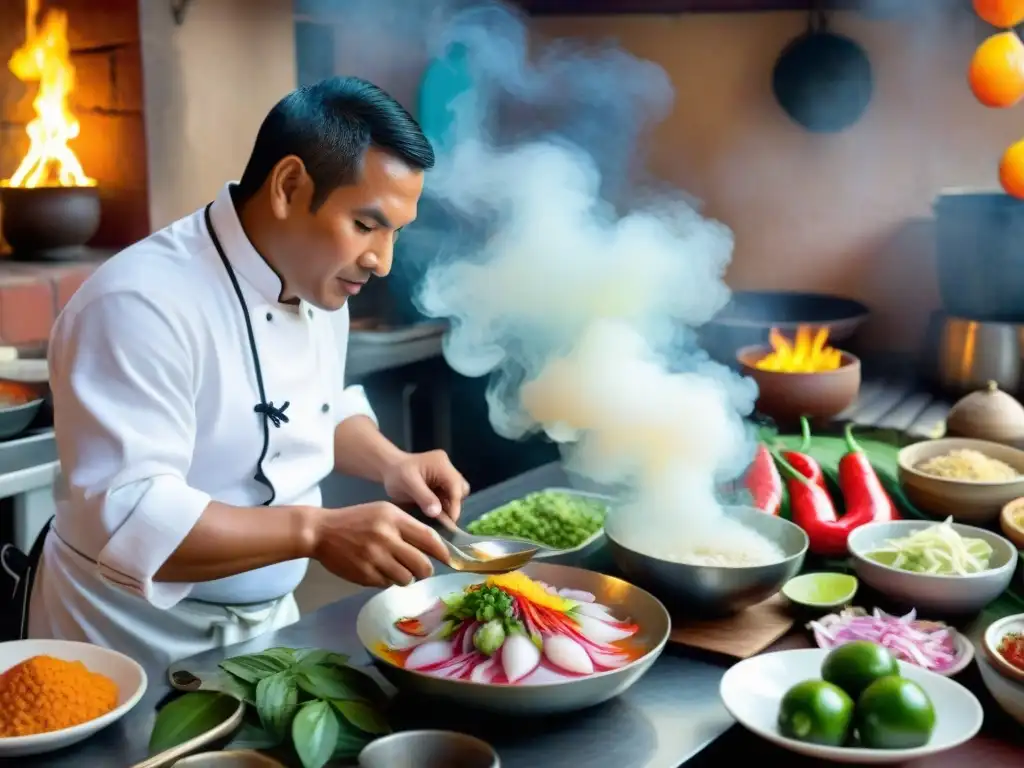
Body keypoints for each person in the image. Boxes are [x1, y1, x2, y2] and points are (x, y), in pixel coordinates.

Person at [27, 77, 469, 671]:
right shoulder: (138, 303)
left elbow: (315, 406)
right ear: (289, 186)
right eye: (366, 226)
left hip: (271, 627)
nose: (383, 261)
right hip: (128, 635)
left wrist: (393, 464)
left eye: (395, 232)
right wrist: (316, 533)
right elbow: (134, 517)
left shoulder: (319, 276)